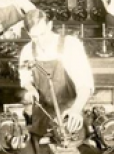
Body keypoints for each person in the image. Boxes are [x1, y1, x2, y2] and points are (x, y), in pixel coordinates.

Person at [18, 9, 94, 137]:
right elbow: (25, 77)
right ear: (28, 33)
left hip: (70, 117)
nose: (40, 41)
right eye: (34, 37)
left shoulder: (70, 45)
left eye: (42, 34)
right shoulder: (27, 50)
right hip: (42, 116)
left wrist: (75, 110)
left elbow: (85, 84)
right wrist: (30, 89)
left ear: (50, 25)